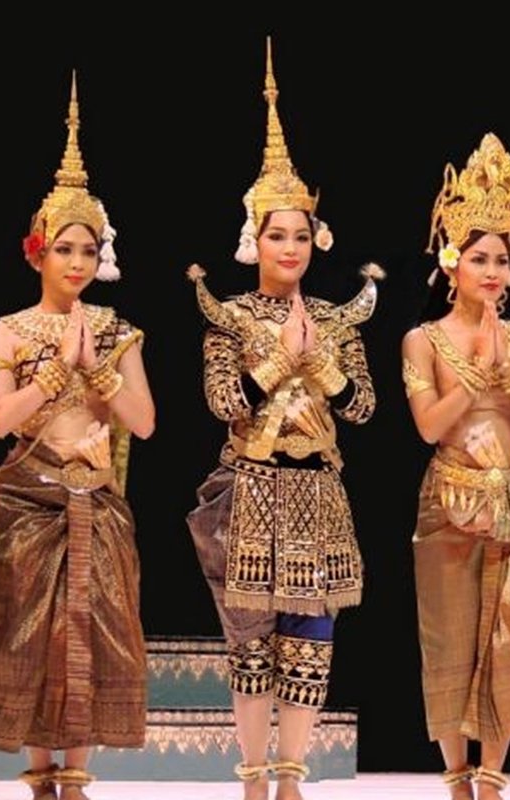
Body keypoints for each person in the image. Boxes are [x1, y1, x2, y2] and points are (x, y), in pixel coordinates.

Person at [185, 40, 378, 800]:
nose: (290, 247)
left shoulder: (336, 319)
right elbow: (222, 403)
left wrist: (319, 363)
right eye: (276, 235)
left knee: (310, 642)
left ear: (315, 239)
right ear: (253, 240)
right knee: (252, 646)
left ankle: (292, 777)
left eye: (300, 234)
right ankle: (253, 778)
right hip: (252, 487)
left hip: (318, 491)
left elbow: (362, 406)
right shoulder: (229, 316)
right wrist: (277, 363)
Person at [0, 73, 155, 800]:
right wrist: (56, 374)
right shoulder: (10, 331)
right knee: (28, 634)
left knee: (91, 633)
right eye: (64, 249)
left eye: (88, 250)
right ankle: (39, 774)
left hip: (96, 498)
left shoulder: (116, 331)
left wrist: (99, 371)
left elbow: (144, 422)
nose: (77, 263)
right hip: (28, 503)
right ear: (37, 253)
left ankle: (76, 776)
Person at [403, 132, 510, 800]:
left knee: (508, 632)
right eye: (479, 258)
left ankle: (493, 777)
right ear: (453, 261)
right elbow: (428, 427)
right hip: (449, 498)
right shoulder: (424, 340)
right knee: (450, 639)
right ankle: (457, 780)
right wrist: (474, 376)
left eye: (501, 258)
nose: (492, 271)